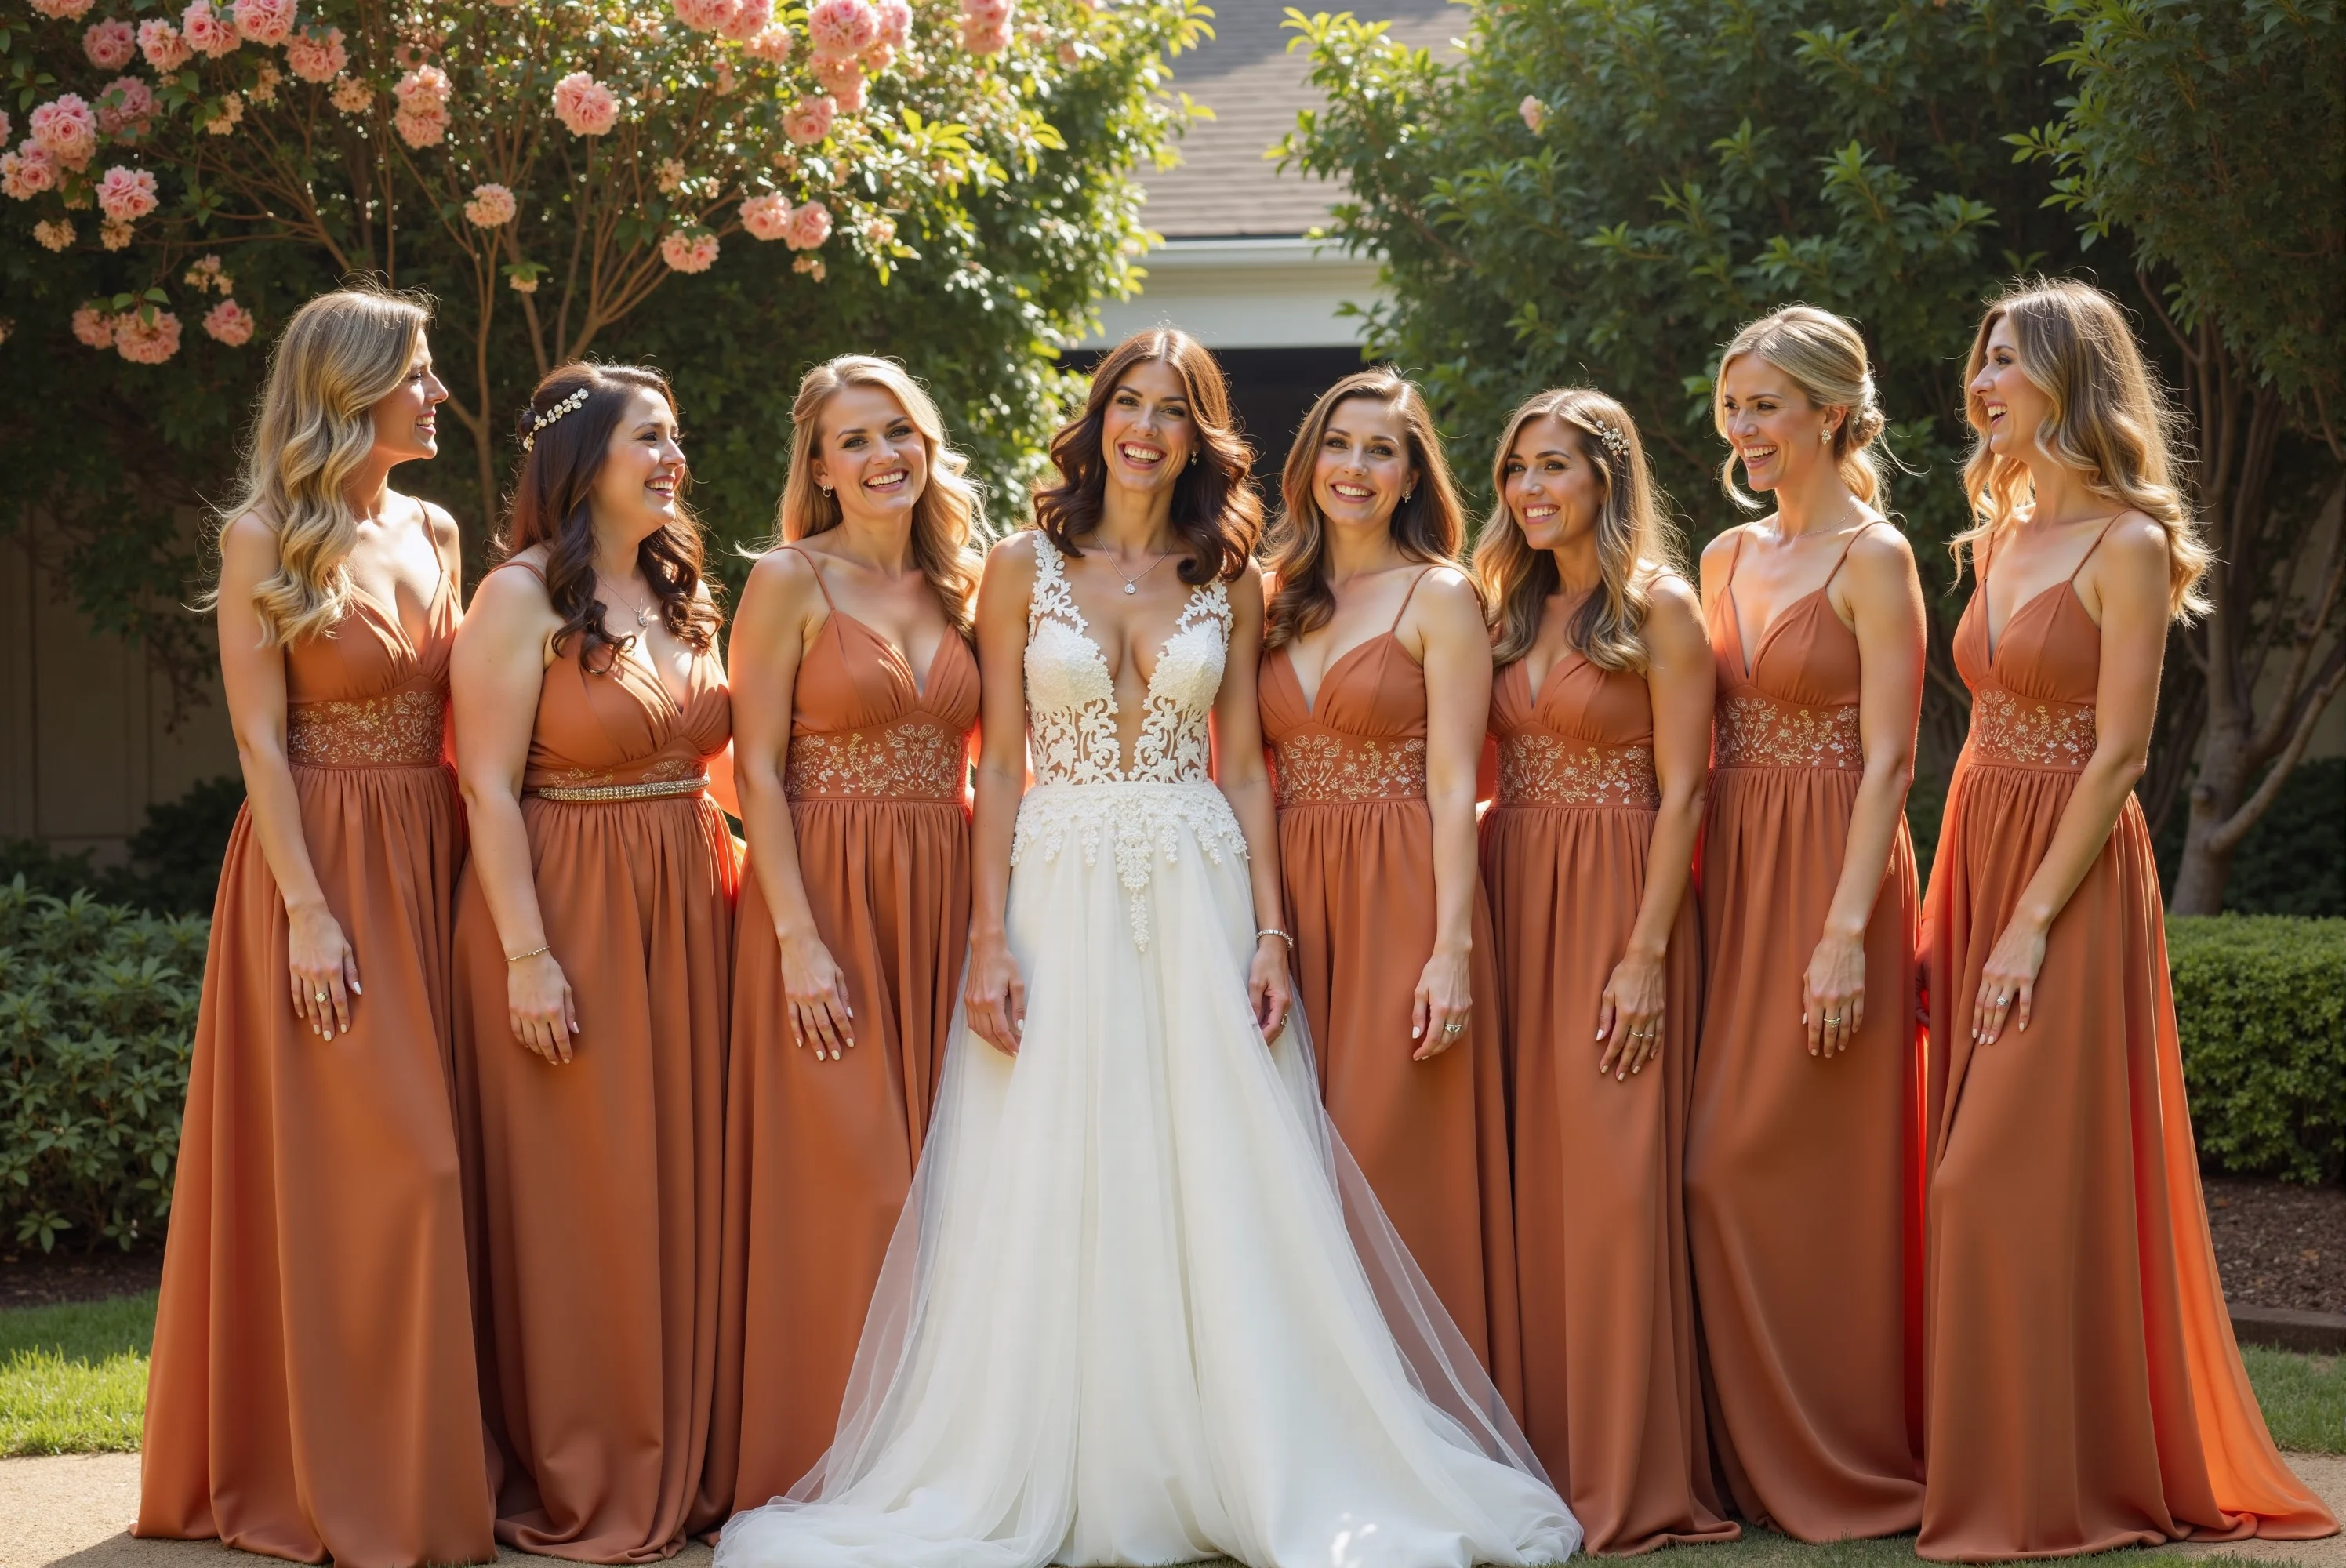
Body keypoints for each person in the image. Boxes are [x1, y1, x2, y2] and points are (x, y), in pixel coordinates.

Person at [714, 328, 1579, 1568]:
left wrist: (1272, 932)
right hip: (1054, 884)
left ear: (1198, 435)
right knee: (1052, 1165)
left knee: (1218, 1168)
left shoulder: (1228, 577)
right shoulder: (1021, 566)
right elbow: (999, 762)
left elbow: (1241, 767)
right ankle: (1060, 1454)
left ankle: (1245, 1448)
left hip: (1196, 884)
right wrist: (985, 941)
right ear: (1099, 417)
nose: (1147, 428)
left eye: (1175, 410)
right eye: (1130, 402)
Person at [1918, 278, 2338, 1560]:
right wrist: (1961, 897)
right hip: (1977, 844)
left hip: (2071, 877)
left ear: (2070, 378)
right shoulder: (1994, 534)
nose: (1983, 381)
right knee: (1962, 1178)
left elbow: (2119, 755)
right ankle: (1995, 1465)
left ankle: (2050, 1487)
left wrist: (2033, 920)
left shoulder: (2130, 547)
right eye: (1980, 356)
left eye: (2008, 360)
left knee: (1999, 1181)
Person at [136, 285, 495, 1568]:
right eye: (419, 372)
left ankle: (436, 1465)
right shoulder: (261, 536)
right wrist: (306, 914)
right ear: (350, 388)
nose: (438, 393)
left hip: (433, 852)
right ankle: (352, 1485)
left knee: (455, 1171)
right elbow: (258, 737)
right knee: (401, 1173)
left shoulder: (439, 528)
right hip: (321, 867)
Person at [448, 363, 738, 1560]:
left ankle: (696, 1452)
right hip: (566, 908)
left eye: (675, 438)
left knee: (687, 1185)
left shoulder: (682, 587)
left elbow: (729, 765)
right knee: (589, 1200)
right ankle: (593, 1466)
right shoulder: (517, 597)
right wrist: (528, 956)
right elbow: (485, 784)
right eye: (650, 441)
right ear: (583, 463)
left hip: (690, 898)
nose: (673, 459)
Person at [703, 357, 984, 1518]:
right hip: (825, 897)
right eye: (855, 441)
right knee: (853, 1187)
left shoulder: (963, 583)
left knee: (956, 1191)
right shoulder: (787, 579)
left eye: (900, 433)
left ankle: (946, 1464)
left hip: (952, 897)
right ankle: (821, 1465)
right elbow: (754, 769)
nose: (883, 457)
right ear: (817, 467)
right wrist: (799, 939)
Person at [1474, 388, 1736, 1555]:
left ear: (1608, 480)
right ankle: (1543, 1457)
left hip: (1615, 897)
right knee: (1535, 1186)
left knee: (1618, 1189)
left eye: (1556, 469)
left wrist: (1645, 954)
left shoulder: (1659, 609)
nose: (1532, 490)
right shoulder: (1502, 605)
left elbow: (1688, 788)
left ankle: (1630, 1479)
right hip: (1512, 889)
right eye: (1517, 470)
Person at [1685, 306, 1929, 1540]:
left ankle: (1842, 1455)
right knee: (1715, 1166)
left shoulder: (1877, 558)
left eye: (1766, 404)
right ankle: (1741, 1456)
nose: (1744, 426)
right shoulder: (1724, 557)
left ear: (1832, 412)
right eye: (1733, 404)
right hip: (1733, 865)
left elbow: (1893, 760)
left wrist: (1845, 930)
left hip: (1833, 870)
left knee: (1776, 1171)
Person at [1256, 367, 1520, 1400]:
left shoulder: (1441, 595)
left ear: (1413, 476)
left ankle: (1424, 1416)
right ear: (1309, 459)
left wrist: (1452, 949)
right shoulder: (1272, 592)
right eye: (1339, 444)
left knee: (1386, 1153)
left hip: (1403, 889)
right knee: (1291, 1163)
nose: (1355, 467)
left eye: (1381, 451)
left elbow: (1458, 782)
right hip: (1285, 893)